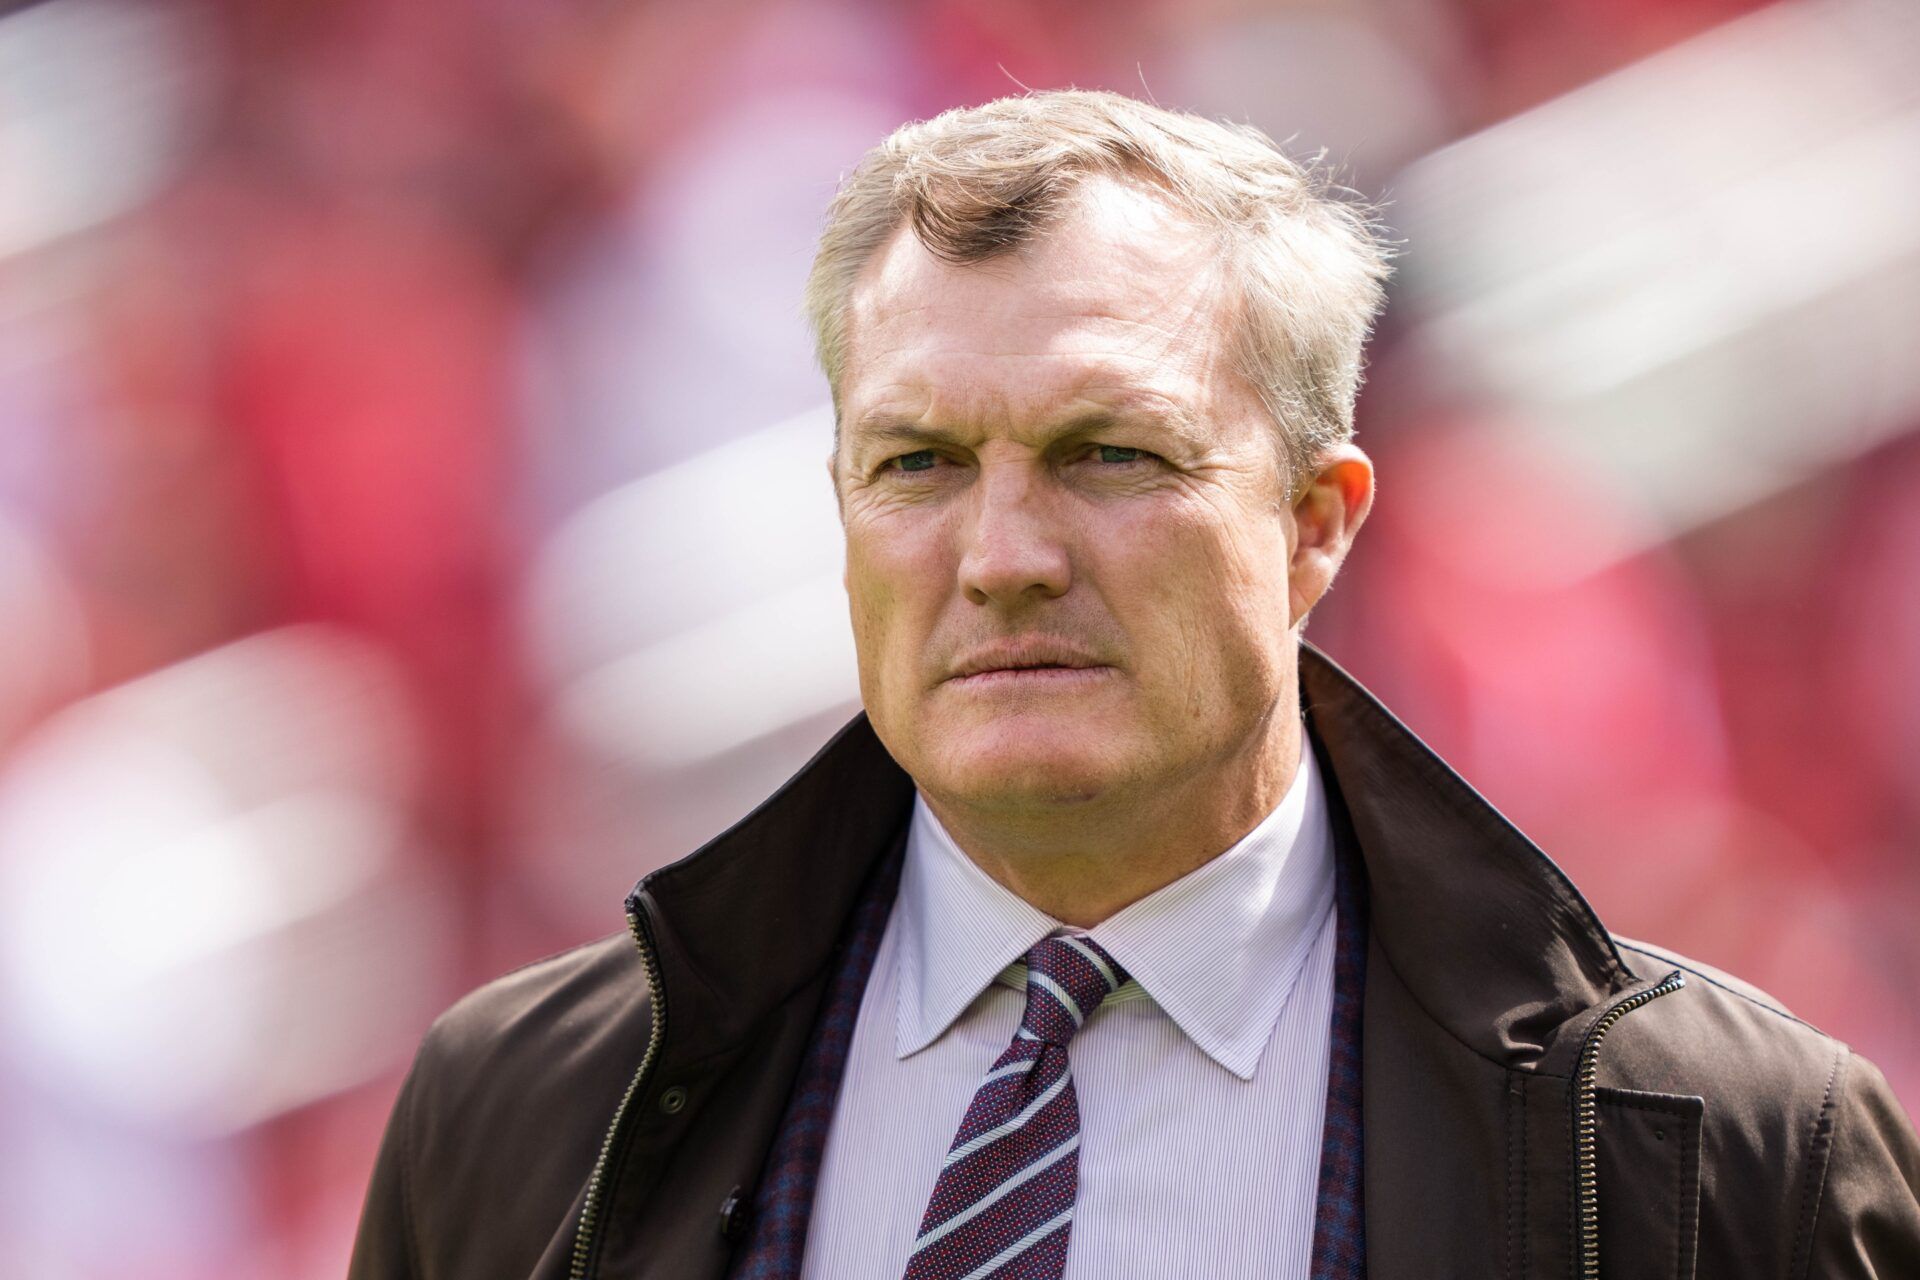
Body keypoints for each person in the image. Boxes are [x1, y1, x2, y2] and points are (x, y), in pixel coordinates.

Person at [347, 90, 1920, 1280]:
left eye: (1111, 453)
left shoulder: (1729, 1156)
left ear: (1317, 521)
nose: (1005, 553)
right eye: (920, 463)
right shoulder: (519, 1118)